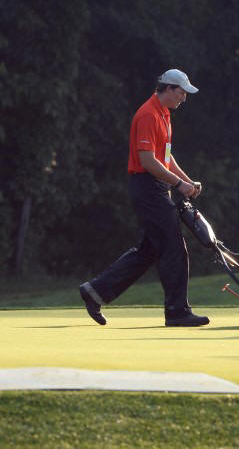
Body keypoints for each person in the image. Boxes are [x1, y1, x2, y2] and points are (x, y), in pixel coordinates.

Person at [78, 69, 209, 327]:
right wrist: (179, 184)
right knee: (173, 247)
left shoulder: (164, 114)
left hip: (157, 187)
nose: (184, 97)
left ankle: (95, 291)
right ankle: (177, 312)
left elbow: (165, 158)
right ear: (168, 88)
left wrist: (187, 181)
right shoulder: (148, 114)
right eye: (181, 92)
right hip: (148, 188)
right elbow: (148, 161)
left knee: (149, 251)